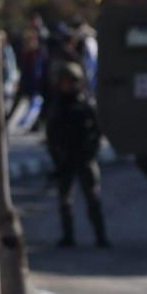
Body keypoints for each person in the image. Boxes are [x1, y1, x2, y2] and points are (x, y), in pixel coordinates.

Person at [45, 61, 109, 248]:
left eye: (72, 81)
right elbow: (51, 135)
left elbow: (98, 132)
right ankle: (68, 236)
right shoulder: (57, 107)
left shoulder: (87, 105)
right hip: (65, 160)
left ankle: (101, 236)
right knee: (65, 200)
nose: (69, 85)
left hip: (85, 159)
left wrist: (91, 152)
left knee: (93, 199)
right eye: (65, 81)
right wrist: (57, 157)